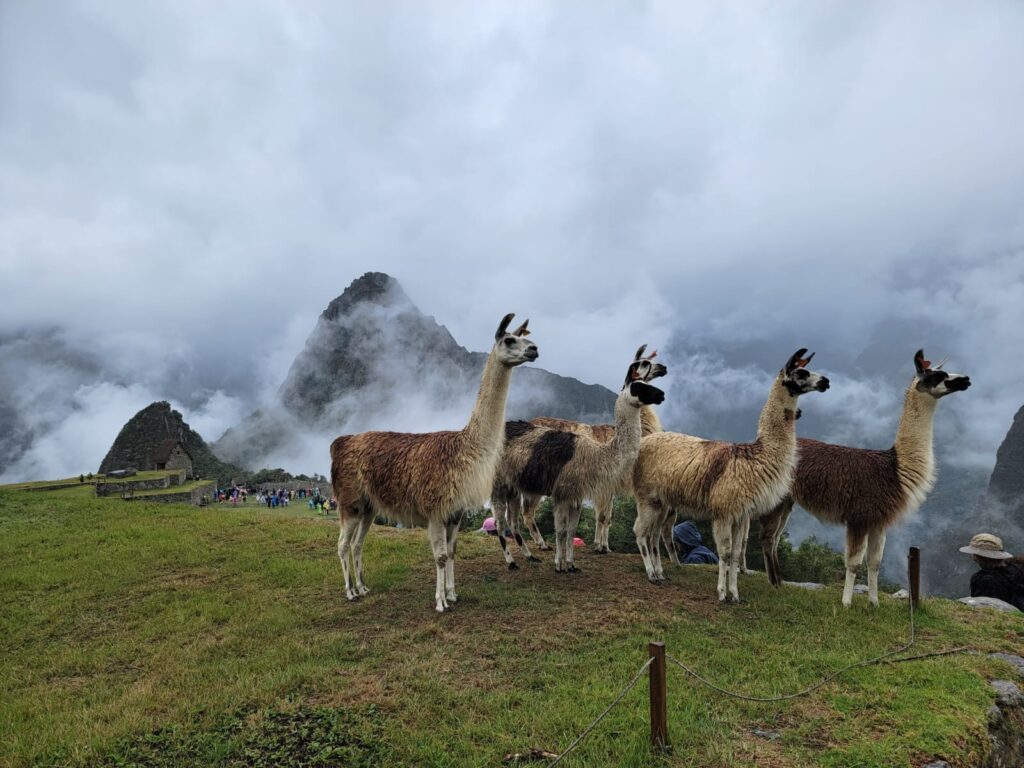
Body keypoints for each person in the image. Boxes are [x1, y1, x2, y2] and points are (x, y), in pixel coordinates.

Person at [960, 533, 1024, 611]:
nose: (974, 558)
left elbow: (982, 608)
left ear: (982, 557)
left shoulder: (984, 579)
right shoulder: (1015, 570)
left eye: (975, 554)